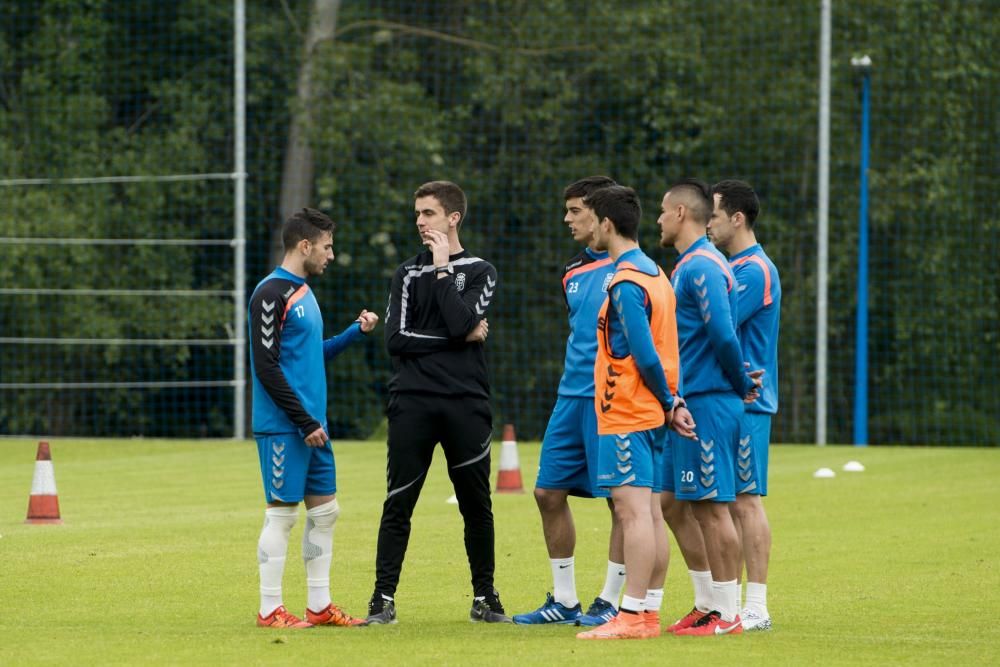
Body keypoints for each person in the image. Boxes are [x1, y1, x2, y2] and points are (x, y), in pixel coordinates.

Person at [366, 180, 509, 624]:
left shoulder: (481, 271)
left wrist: (445, 268)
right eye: (417, 214)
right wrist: (455, 337)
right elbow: (395, 340)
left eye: (427, 213)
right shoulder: (406, 274)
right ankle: (382, 599)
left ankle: (484, 597)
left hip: (466, 404)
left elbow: (463, 319)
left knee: (476, 504)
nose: (419, 222)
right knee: (399, 501)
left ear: (453, 218)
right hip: (413, 402)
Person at [248, 207, 378, 629]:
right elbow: (267, 367)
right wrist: (304, 422)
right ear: (304, 246)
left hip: (312, 427)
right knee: (282, 514)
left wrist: (352, 334)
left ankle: (319, 607)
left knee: (326, 513)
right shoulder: (271, 293)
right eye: (327, 246)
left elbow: (309, 356)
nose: (332, 254)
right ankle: (270, 610)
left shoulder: (303, 292)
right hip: (288, 427)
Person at [575, 185, 695, 640]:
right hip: (651, 411)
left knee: (633, 515)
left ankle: (629, 615)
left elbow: (645, 352)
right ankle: (645, 614)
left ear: (606, 225)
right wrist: (673, 401)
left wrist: (668, 401)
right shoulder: (656, 274)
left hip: (628, 408)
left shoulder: (626, 281)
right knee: (648, 512)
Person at [513, 176, 629, 627]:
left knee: (621, 501)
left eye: (575, 210)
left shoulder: (632, 267)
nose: (567, 218)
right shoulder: (571, 272)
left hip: (613, 400)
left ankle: (612, 599)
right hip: (570, 397)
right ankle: (564, 601)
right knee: (547, 492)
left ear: (601, 215)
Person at [657, 179, 761, 636]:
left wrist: (739, 383)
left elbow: (722, 332)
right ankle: (707, 602)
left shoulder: (702, 265)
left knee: (715, 508)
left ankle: (729, 612)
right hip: (691, 402)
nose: (657, 220)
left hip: (709, 405)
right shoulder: (688, 265)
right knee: (675, 504)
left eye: (662, 211)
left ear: (681, 214)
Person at [708, 179, 781, 631]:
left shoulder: (753, 270)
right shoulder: (735, 266)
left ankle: (756, 606)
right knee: (719, 502)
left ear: (736, 218)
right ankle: (724, 603)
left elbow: (718, 323)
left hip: (748, 401)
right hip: (727, 398)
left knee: (744, 502)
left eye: (713, 215)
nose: (708, 223)